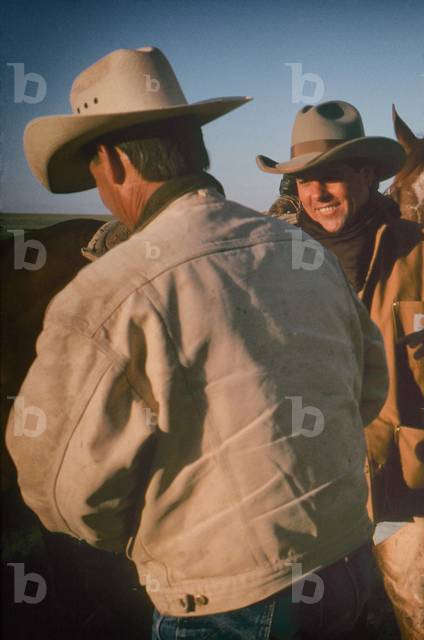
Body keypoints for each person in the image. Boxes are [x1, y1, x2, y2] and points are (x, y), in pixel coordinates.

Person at [5, 47, 388, 639]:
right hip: (348, 566)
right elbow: (368, 391)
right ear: (194, 144)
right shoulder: (305, 253)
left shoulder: (109, 293)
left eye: (93, 174)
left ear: (109, 161)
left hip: (231, 600)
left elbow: (58, 489)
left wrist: (161, 529)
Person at [258, 100, 424, 640]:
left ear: (369, 175)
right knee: (322, 628)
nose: (317, 193)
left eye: (332, 177)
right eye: (304, 180)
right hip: (306, 492)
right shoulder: (269, 262)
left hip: (406, 480)